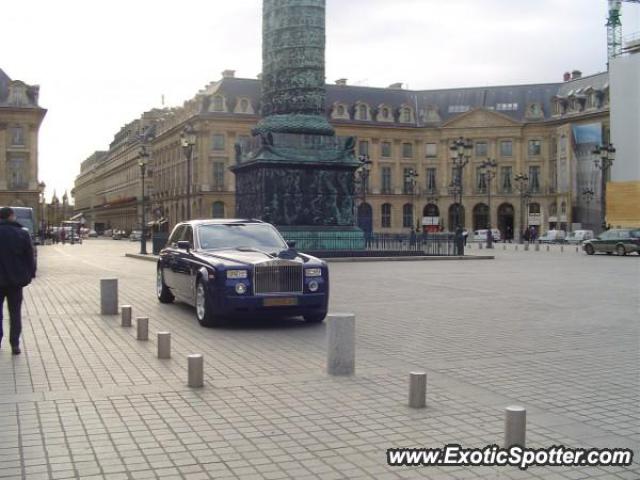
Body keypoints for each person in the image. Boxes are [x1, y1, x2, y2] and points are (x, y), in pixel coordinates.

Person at [0, 207, 36, 354]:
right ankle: (15, 344)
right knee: (15, 313)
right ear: (11, 217)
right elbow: (30, 257)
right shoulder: (22, 234)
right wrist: (29, 275)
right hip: (16, 282)